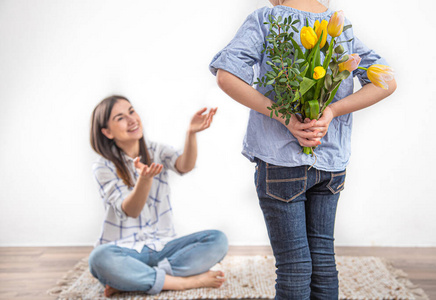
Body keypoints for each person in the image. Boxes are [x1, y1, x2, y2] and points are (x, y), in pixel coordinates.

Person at [209, 0, 396, 299]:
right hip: (330, 165)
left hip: (281, 163)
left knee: (294, 265)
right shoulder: (339, 29)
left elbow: (226, 75)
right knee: (322, 259)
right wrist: (332, 112)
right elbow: (387, 82)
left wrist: (286, 118)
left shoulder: (267, 19)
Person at [88, 95, 228, 297]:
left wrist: (191, 134)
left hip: (164, 245)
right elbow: (131, 210)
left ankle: (133, 281)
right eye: (120, 118)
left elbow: (184, 166)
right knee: (99, 259)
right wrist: (144, 180)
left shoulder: (157, 150)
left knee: (217, 239)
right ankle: (183, 283)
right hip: (125, 250)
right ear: (107, 132)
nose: (131, 119)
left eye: (131, 111)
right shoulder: (103, 167)